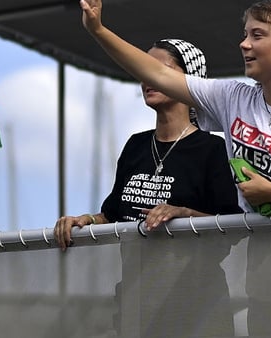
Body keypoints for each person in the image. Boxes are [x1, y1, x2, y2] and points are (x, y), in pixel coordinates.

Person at [73, 0, 271, 334]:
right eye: (245, 34)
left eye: (257, 35)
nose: (244, 44)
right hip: (266, 290)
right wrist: (98, 30)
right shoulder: (235, 99)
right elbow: (155, 73)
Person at [54, 38, 242, 337]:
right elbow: (115, 215)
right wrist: (85, 221)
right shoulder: (136, 145)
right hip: (137, 301)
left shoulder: (213, 149)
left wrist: (183, 213)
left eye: (158, 69)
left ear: (187, 81)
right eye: (144, 69)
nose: (147, 78)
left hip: (196, 304)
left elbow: (232, 229)